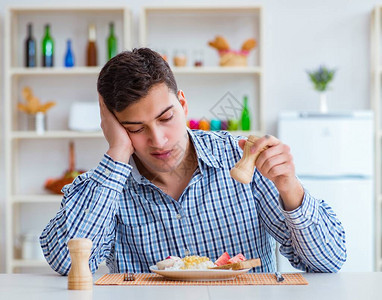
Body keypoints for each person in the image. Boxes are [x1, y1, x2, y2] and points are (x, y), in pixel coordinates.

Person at [40, 48, 346, 275]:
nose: (158, 140)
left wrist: (290, 188)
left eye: (166, 118)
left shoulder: (244, 159)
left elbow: (330, 260)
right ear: (114, 127)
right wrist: (118, 151)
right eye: (135, 129)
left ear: (183, 104)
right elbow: (68, 264)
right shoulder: (105, 187)